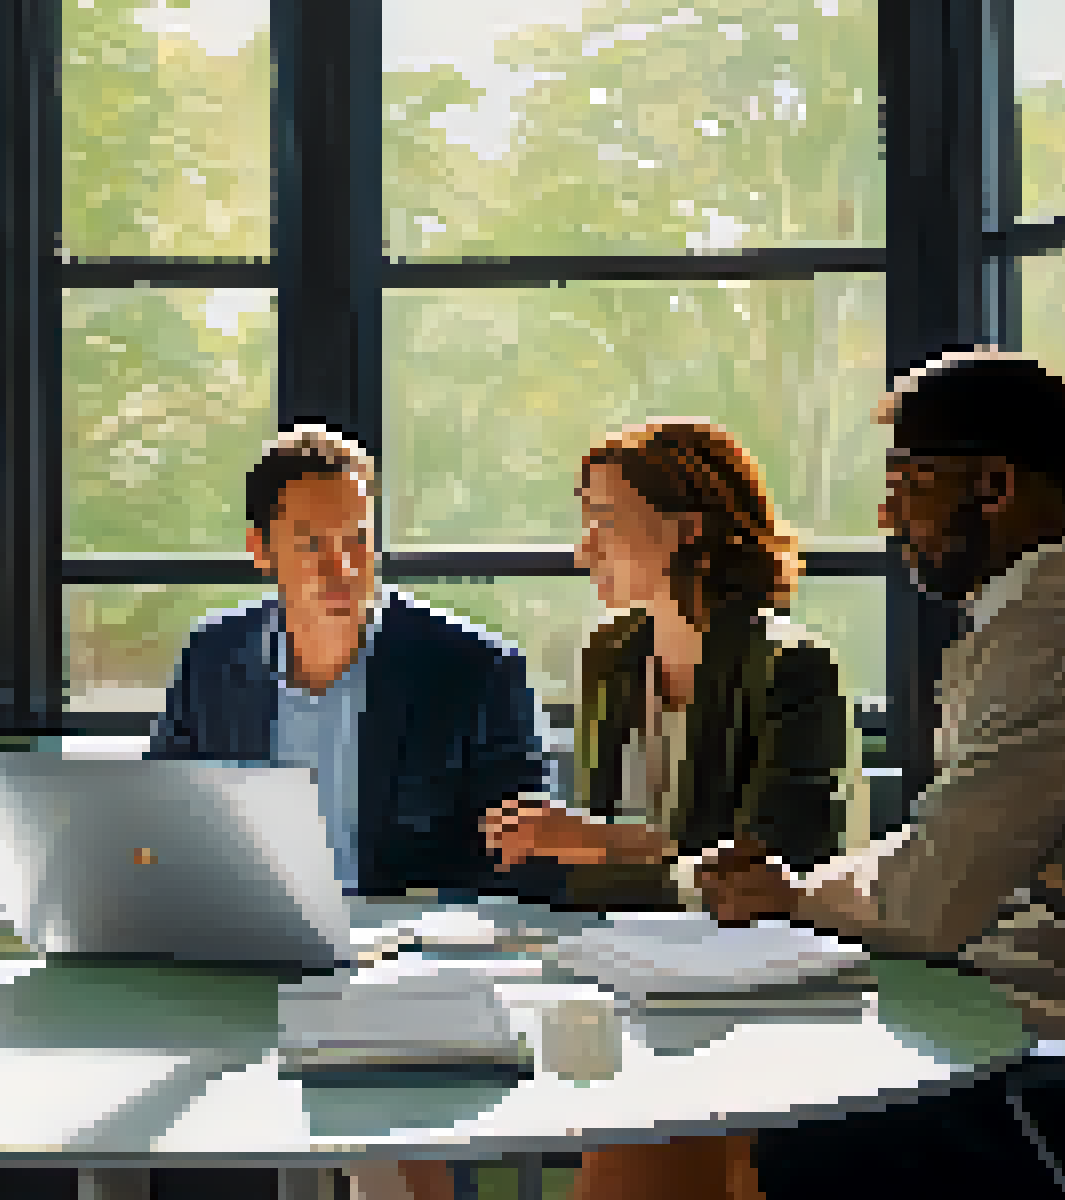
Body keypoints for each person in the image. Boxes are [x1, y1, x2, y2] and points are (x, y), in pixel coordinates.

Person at [697, 351, 1065, 1199]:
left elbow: (929, 903)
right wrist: (797, 891)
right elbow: (944, 844)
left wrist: (792, 901)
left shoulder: (1054, 643)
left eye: (909, 484)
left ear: (994, 485)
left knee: (783, 1114)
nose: (887, 513)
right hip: (1051, 1024)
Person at [147, 424, 562, 1200]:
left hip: (405, 972)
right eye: (310, 544)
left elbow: (527, 856)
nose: (342, 568)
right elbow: (162, 821)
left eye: (357, 540)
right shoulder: (213, 658)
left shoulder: (473, 670)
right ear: (259, 549)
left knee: (393, 1159)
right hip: (244, 967)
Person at [480, 419, 860, 1199]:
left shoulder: (793, 668)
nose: (584, 547)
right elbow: (593, 878)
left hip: (756, 992)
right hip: (631, 978)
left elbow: (775, 876)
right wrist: (604, 853)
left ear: (688, 530)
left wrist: (610, 847)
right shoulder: (611, 655)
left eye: (606, 521)